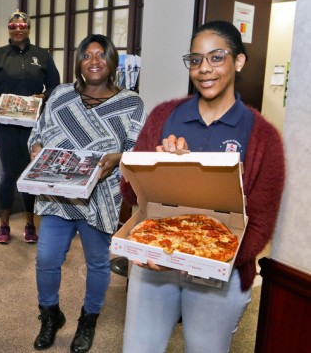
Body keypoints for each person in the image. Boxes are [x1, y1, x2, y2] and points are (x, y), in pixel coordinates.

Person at [121, 21, 286, 353]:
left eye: (216, 57)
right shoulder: (163, 117)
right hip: (157, 258)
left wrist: (207, 257)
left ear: (239, 61)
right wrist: (159, 167)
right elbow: (129, 191)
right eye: (195, 60)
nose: (204, 69)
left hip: (220, 268)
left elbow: (261, 222)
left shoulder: (263, 136)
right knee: (139, 348)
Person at [28, 34, 146, 352]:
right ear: (78, 61)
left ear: (112, 61)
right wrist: (36, 148)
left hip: (100, 198)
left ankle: (88, 319)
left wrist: (118, 158)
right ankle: (50, 315)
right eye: (87, 55)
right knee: (46, 259)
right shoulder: (60, 94)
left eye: (101, 55)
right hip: (57, 194)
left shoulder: (131, 102)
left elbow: (137, 148)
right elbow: (38, 132)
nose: (94, 61)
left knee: (97, 263)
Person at [0, 11, 60, 244]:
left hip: (33, 124)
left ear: (28, 28)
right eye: (13, 26)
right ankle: (4, 224)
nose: (18, 29)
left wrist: (44, 96)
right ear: (8, 28)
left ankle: (30, 224)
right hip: (4, 124)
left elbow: (55, 86)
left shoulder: (42, 56)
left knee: (30, 172)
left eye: (22, 26)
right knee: (7, 173)